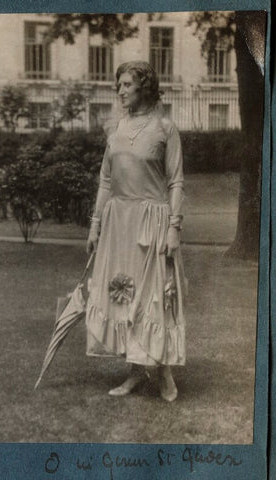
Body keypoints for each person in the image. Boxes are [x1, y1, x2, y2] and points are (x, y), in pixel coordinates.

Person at [86, 61, 186, 402]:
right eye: (119, 85)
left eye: (127, 84)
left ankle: (165, 373)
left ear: (145, 86)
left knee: (156, 297)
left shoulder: (165, 128)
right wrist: (95, 225)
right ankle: (134, 371)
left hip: (154, 224)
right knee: (124, 297)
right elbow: (106, 180)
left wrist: (174, 227)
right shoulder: (115, 128)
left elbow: (175, 181)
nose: (120, 90)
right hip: (119, 224)